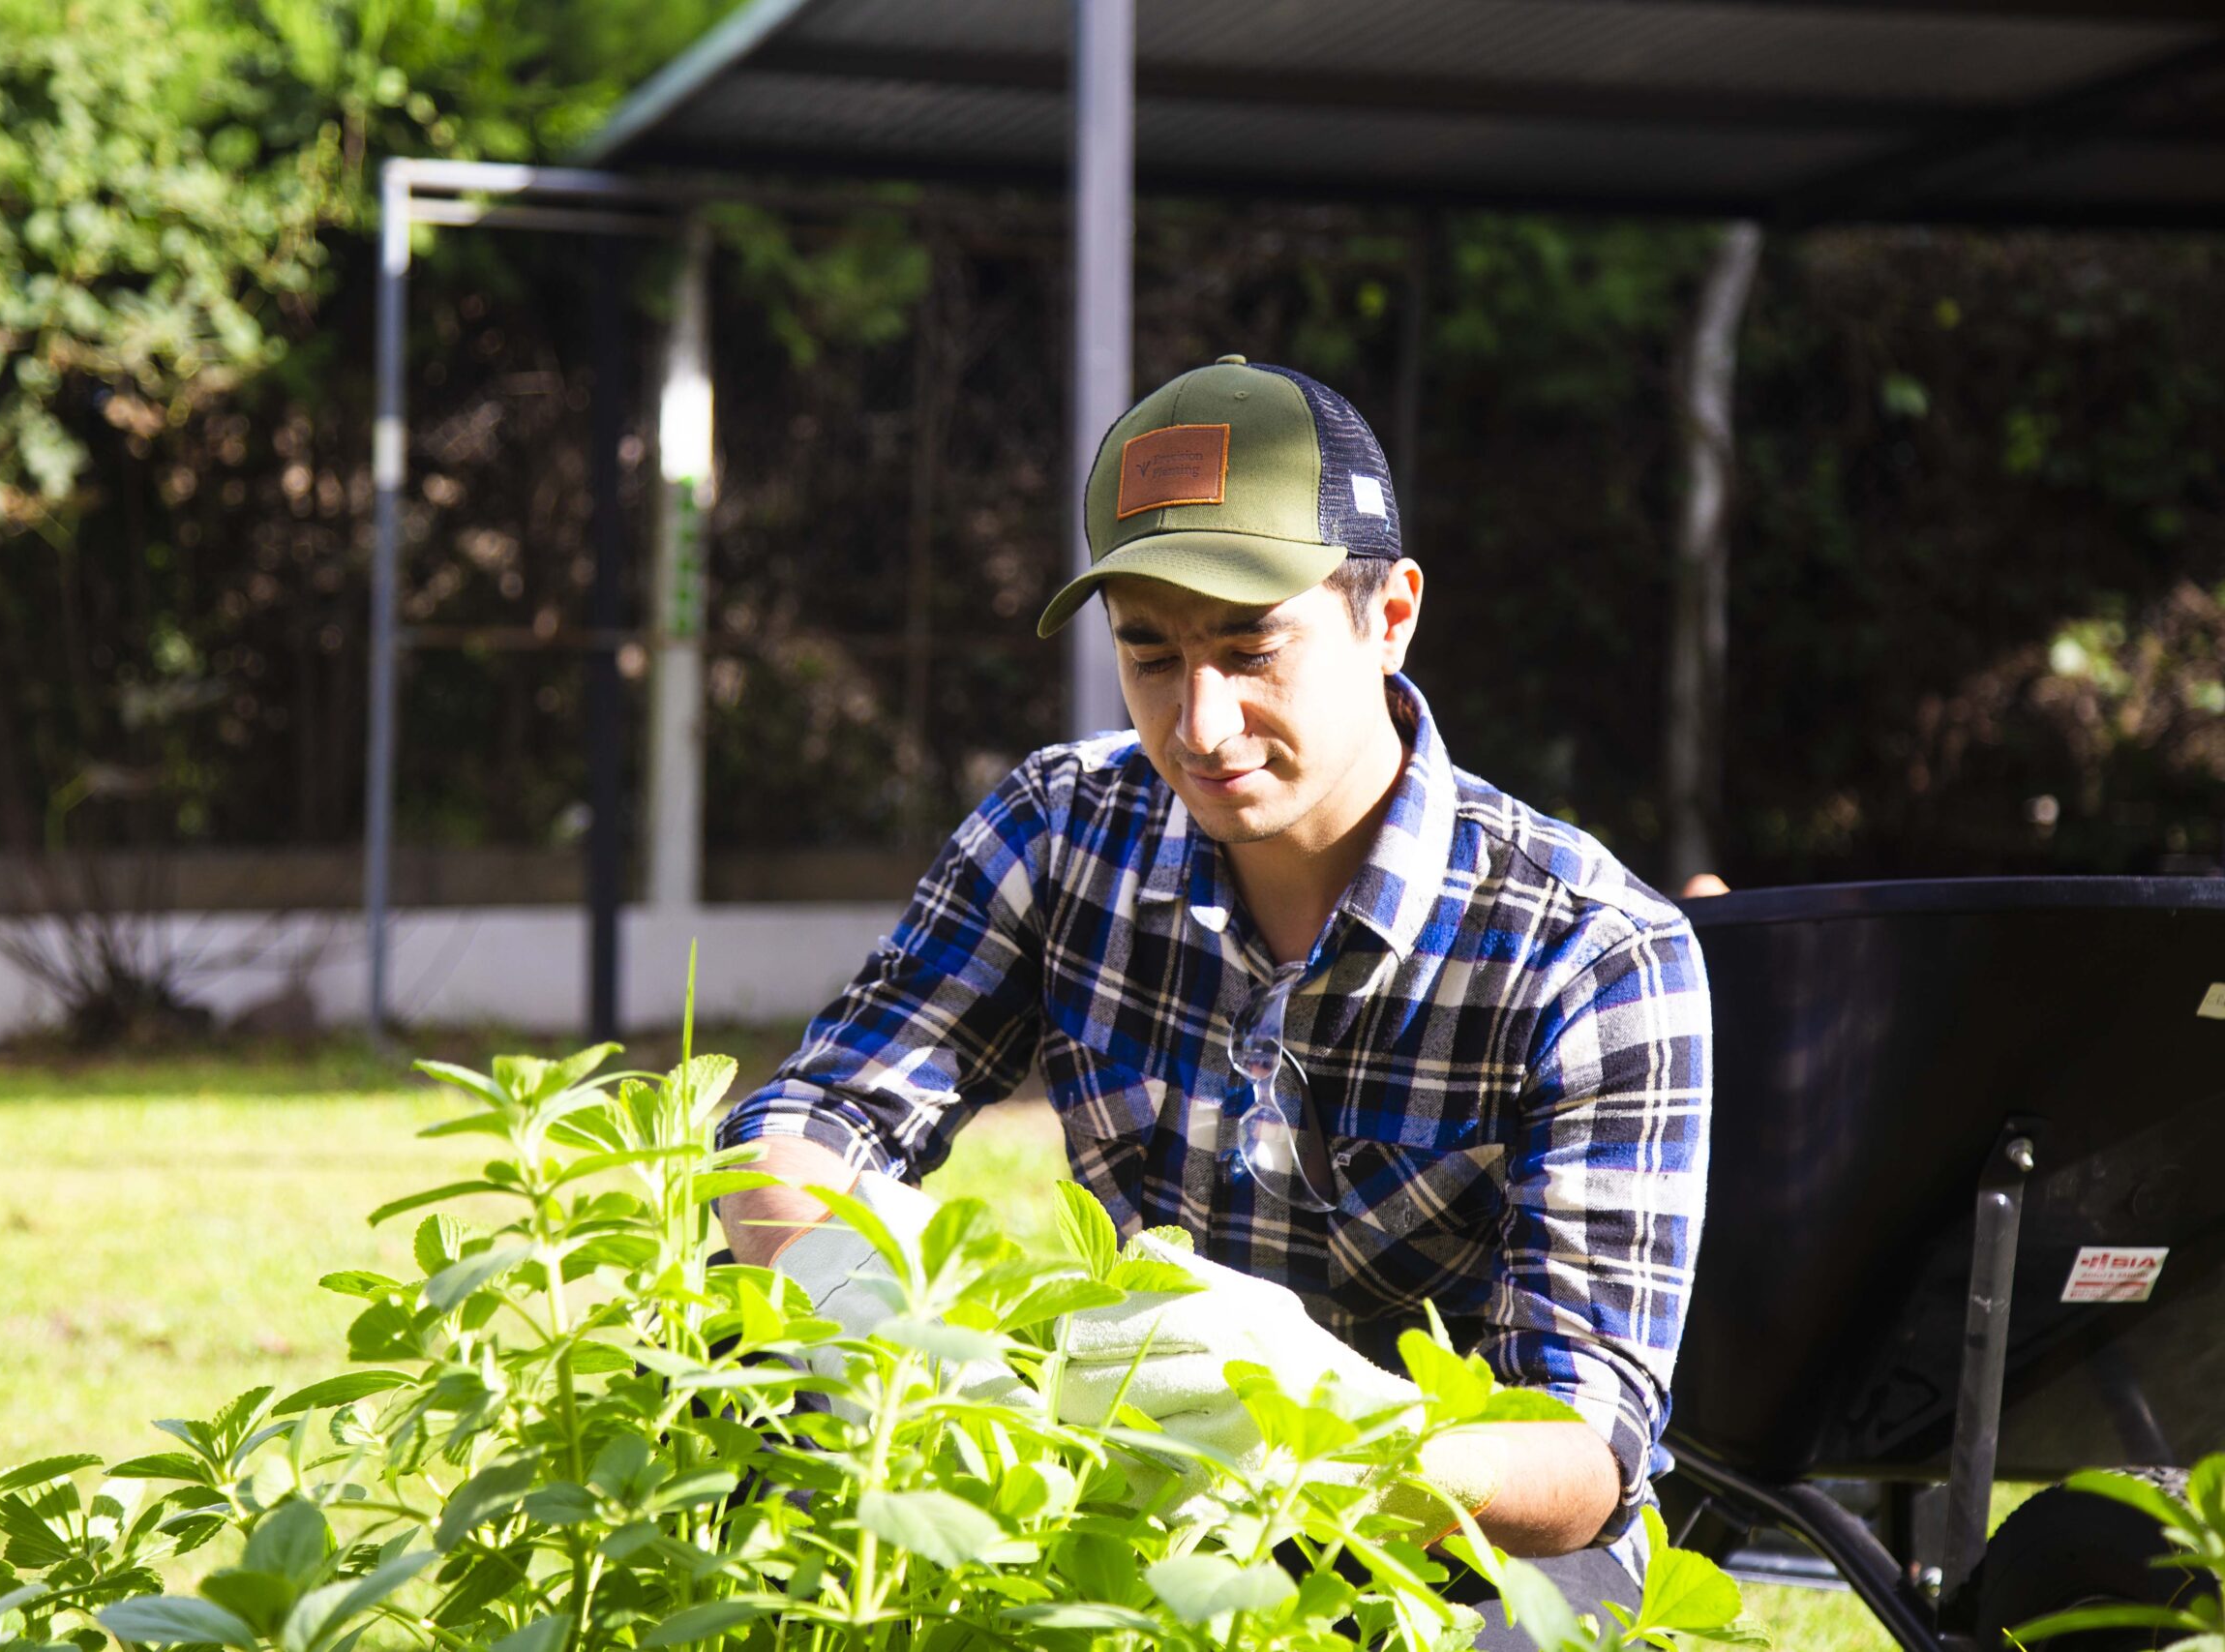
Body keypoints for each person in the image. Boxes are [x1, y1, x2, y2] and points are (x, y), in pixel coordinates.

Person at [714, 356, 1713, 1644]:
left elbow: (1585, 1457)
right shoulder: (1061, 830)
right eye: (1150, 654)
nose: (1202, 722)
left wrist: (1344, 1428)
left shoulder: (1592, 953)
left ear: (1391, 616)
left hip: (1450, 1534)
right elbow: (819, 1115)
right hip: (1134, 1479)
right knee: (744, 1360)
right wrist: (900, 1327)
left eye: (1252, 650)